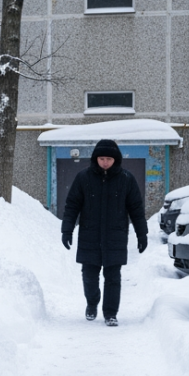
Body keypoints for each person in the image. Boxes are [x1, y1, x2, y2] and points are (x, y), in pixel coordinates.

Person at [60, 138, 148, 326]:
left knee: (113, 277)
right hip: (89, 235)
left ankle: (110, 313)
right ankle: (92, 303)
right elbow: (72, 206)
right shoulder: (83, 178)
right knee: (89, 275)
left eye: (109, 158)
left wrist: (142, 234)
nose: (105, 162)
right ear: (96, 159)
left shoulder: (126, 179)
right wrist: (66, 230)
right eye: (101, 159)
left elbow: (136, 209)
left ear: (115, 159)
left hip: (115, 236)